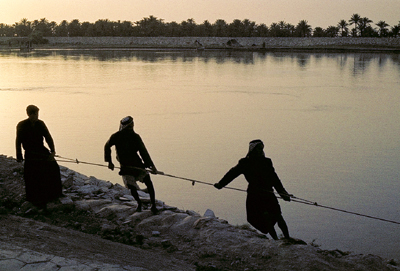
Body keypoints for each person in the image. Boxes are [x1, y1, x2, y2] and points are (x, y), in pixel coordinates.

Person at [214, 139, 291, 240]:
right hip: (255, 195)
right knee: (266, 217)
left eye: (261, 149)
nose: (260, 151)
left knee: (278, 215)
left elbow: (274, 178)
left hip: (267, 193)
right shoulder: (245, 163)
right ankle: (276, 240)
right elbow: (232, 173)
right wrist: (221, 184)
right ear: (252, 150)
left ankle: (287, 238)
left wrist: (283, 193)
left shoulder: (267, 162)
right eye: (258, 149)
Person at [104, 116, 159, 214]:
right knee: (131, 187)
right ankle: (139, 204)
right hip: (125, 165)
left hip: (137, 164)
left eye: (131, 126)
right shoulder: (116, 136)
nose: (130, 128)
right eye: (128, 127)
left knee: (148, 182)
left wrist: (151, 166)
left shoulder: (135, 137)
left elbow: (143, 152)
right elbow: (107, 146)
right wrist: (109, 162)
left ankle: (153, 205)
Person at [15, 105, 63, 209]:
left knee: (54, 167)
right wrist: (19, 155)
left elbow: (48, 137)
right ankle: (33, 198)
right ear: (30, 114)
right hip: (30, 152)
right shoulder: (21, 125)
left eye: (37, 114)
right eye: (36, 114)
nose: (37, 116)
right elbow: (18, 141)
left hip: (41, 150)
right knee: (32, 175)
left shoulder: (40, 124)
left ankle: (55, 194)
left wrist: (52, 151)